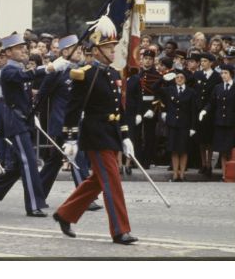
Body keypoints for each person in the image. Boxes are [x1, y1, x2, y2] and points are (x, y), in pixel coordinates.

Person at [53, 18, 138, 245]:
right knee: (112, 181)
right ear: (97, 50)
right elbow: (73, 109)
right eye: (109, 47)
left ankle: (65, 214)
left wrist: (127, 136)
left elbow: (119, 109)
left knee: (98, 181)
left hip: (111, 135)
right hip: (95, 136)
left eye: (114, 46)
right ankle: (120, 230)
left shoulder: (112, 74)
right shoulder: (85, 74)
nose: (113, 51)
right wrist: (70, 139)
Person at [0, 34, 59, 217]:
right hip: (15, 123)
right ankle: (33, 205)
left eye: (24, 47)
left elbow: (26, 91)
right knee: (28, 162)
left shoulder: (21, 68)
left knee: (17, 166)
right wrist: (47, 68)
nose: (23, 50)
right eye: (18, 48)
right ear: (8, 52)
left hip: (24, 120)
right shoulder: (7, 70)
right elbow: (24, 76)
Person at [35, 35, 101, 209]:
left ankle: (37, 193)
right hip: (61, 123)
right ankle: (85, 198)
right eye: (75, 47)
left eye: (80, 47)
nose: (80, 50)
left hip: (76, 121)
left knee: (55, 161)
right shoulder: (57, 71)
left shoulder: (81, 69)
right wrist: (34, 115)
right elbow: (42, 96)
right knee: (77, 157)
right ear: (65, 51)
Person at [154, 69, 197, 181]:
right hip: (172, 124)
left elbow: (193, 110)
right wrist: (163, 78)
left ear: (185, 80)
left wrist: (193, 127)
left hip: (185, 124)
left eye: (181, 77)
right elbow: (155, 88)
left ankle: (182, 174)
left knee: (183, 150)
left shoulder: (191, 92)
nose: (179, 79)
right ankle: (175, 174)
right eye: (177, 77)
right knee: (173, 149)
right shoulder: (170, 90)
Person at [200, 64, 235, 181]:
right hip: (220, 122)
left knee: (230, 150)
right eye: (222, 73)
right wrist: (204, 110)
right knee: (222, 150)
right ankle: (224, 174)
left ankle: (232, 174)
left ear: (231, 74)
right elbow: (211, 103)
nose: (223, 75)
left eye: (226, 73)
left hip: (232, 123)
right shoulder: (218, 87)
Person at [129, 48, 161, 169]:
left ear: (153, 61)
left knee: (149, 135)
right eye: (145, 59)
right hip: (138, 106)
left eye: (150, 59)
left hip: (150, 106)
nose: (147, 61)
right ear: (141, 60)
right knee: (135, 135)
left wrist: (153, 109)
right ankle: (136, 159)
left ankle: (146, 161)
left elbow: (159, 94)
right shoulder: (137, 74)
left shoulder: (157, 75)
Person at [193, 52, 221, 178]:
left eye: (205, 61)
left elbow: (216, 95)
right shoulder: (197, 74)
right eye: (202, 61)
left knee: (209, 140)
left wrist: (208, 108)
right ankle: (203, 164)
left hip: (210, 111)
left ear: (211, 63)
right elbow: (194, 91)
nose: (202, 63)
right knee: (201, 140)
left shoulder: (216, 76)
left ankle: (209, 164)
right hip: (199, 111)